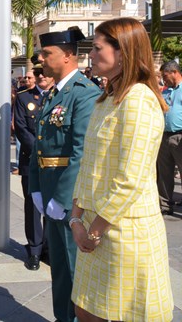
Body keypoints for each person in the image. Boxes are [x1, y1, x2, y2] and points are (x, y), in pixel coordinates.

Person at [70, 17, 173, 321]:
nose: (91, 54)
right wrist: (76, 218)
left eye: (98, 48)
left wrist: (94, 231)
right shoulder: (107, 99)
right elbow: (88, 164)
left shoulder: (139, 100)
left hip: (123, 233)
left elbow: (130, 179)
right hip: (94, 227)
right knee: (86, 311)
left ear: (123, 53)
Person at [28, 27, 101, 322]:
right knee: (58, 266)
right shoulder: (55, 93)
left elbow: (80, 152)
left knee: (73, 268)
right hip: (50, 192)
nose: (42, 59)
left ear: (69, 55)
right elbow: (40, 144)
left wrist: (62, 199)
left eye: (47, 54)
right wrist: (35, 186)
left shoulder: (85, 94)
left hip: (71, 198)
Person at [14, 55, 53, 271]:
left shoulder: (60, 97)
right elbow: (21, 129)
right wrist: (41, 152)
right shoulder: (23, 98)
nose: (41, 76)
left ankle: (49, 248)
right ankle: (34, 250)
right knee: (33, 207)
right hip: (31, 161)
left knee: (53, 207)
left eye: (44, 72)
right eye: (37, 73)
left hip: (56, 164)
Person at [156, 60, 182, 215]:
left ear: (174, 72)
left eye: (165, 76)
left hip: (179, 136)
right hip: (164, 137)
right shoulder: (165, 91)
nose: (163, 79)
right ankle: (165, 205)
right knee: (165, 173)